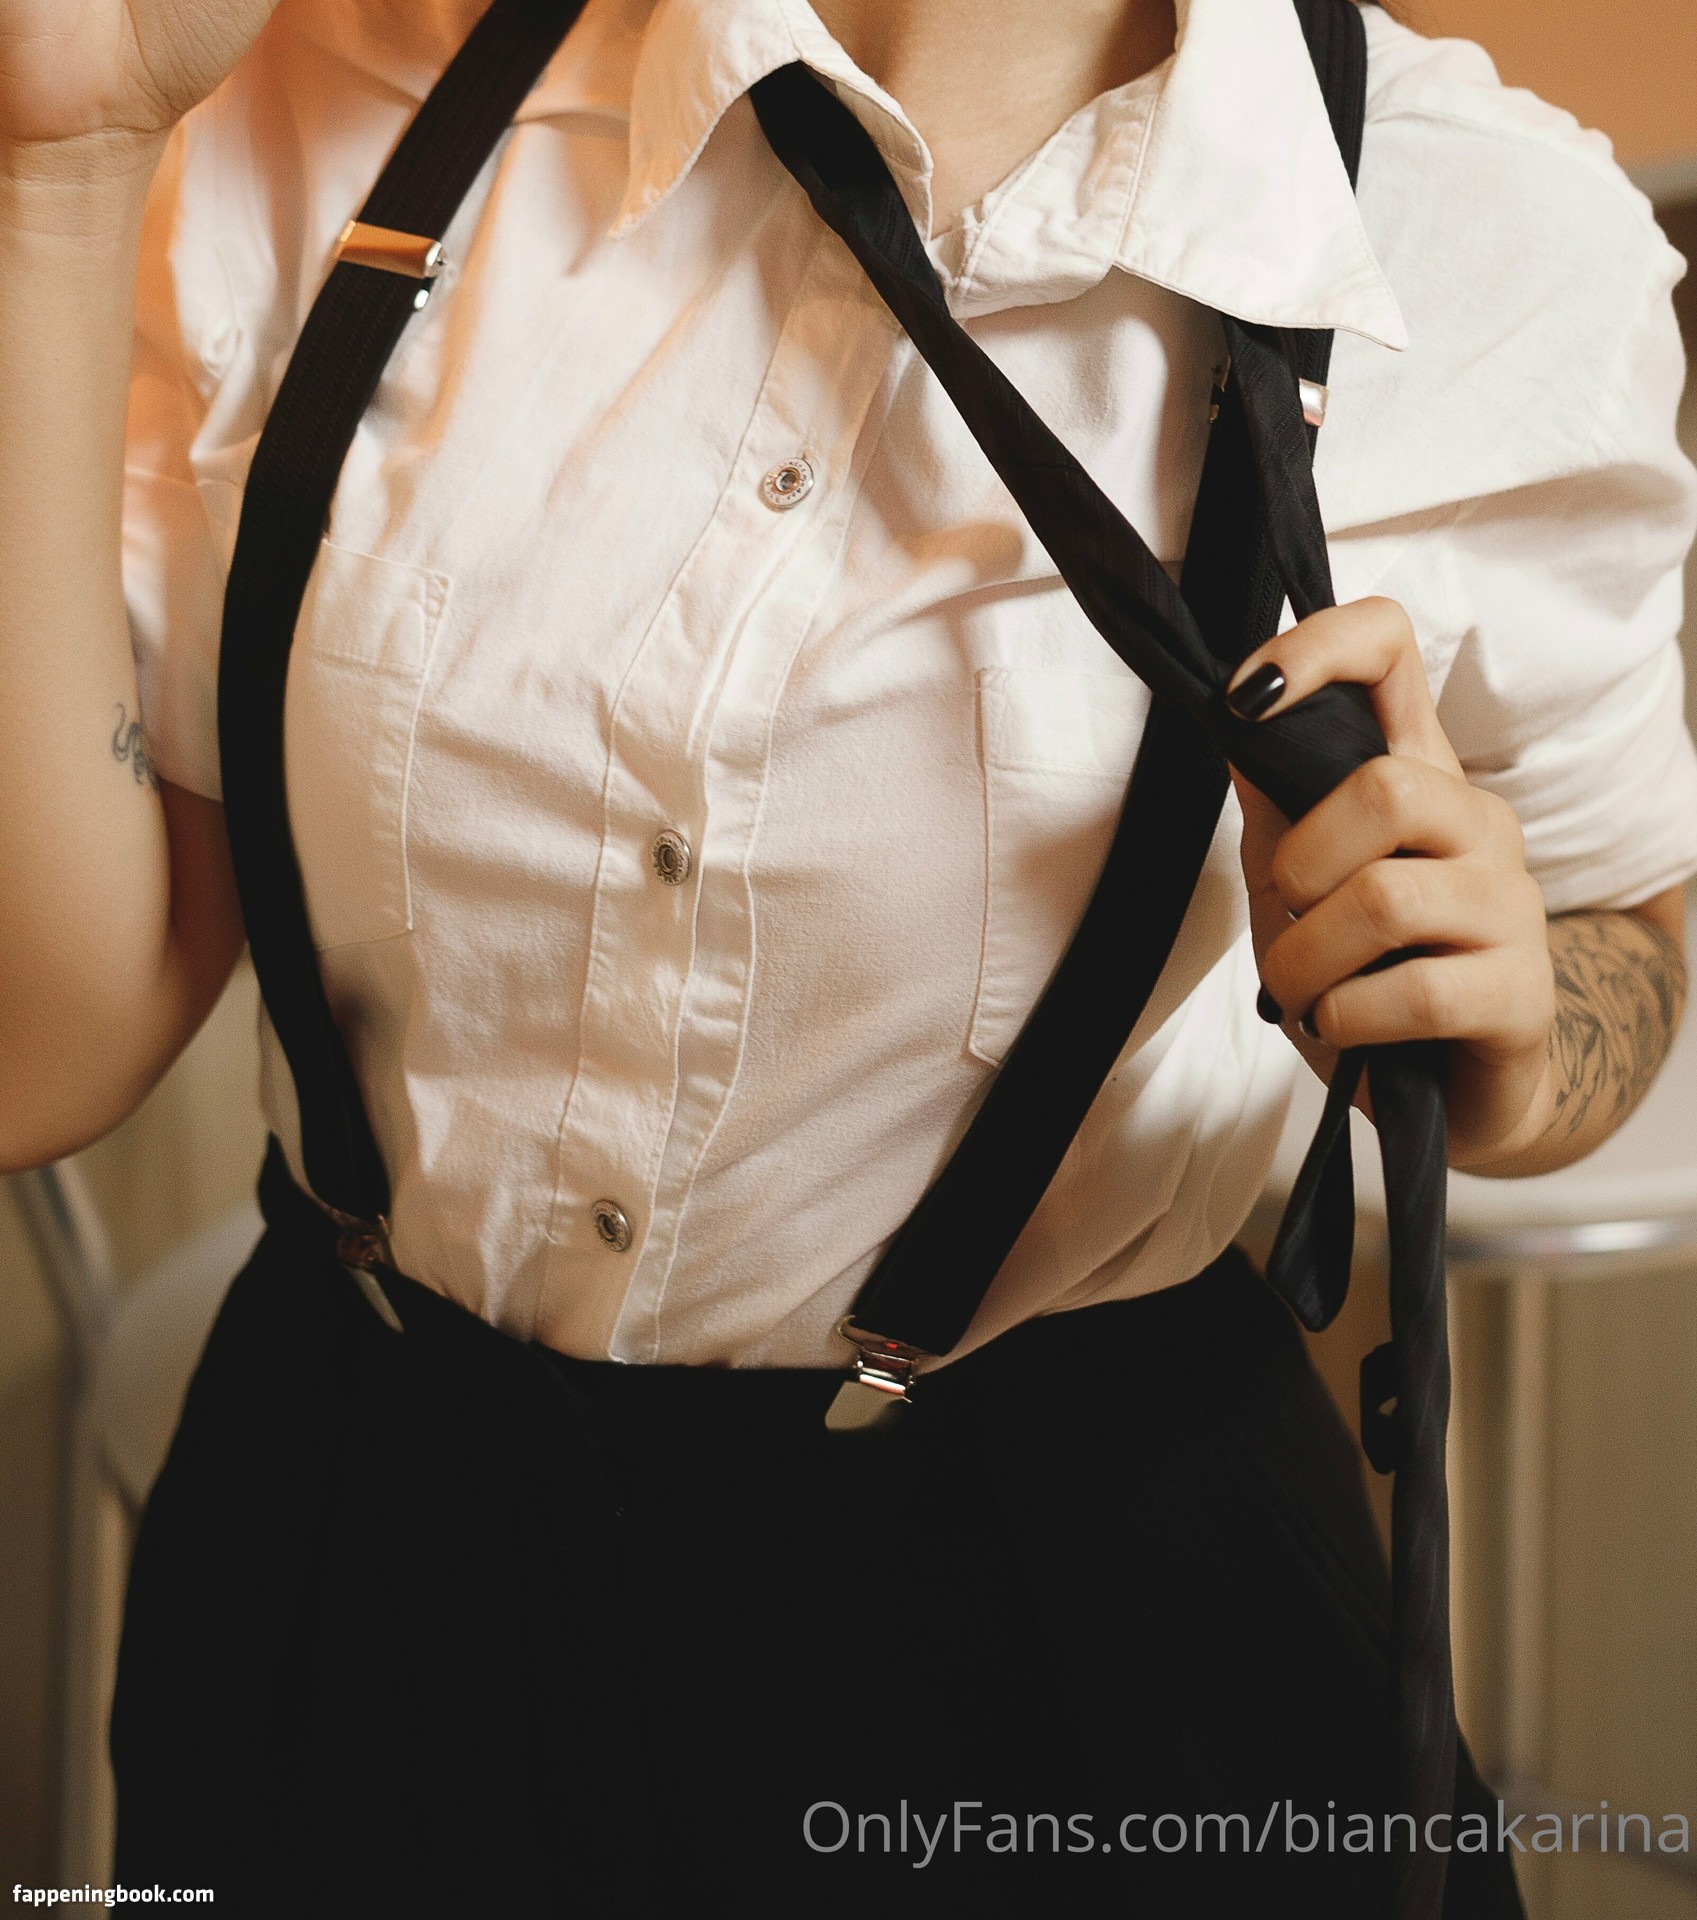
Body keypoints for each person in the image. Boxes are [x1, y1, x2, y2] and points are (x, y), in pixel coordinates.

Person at [0, 0, 1691, 1911]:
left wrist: (1517, 1039)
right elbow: (39, 1060)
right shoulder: (319, 89)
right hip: (364, 1554)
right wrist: (55, 169)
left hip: (1069, 1625)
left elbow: (1621, 925)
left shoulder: (1485, 238)